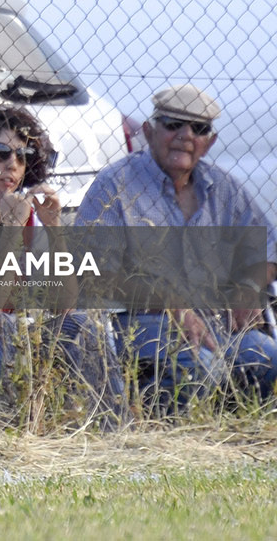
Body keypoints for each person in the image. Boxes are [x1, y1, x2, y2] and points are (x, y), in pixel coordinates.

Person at [76, 84, 277, 408]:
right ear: (148, 130)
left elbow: (267, 248)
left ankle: (237, 440)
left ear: (208, 143)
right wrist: (172, 306)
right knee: (198, 368)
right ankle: (165, 437)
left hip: (218, 323)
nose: (186, 135)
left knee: (269, 361)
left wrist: (249, 285)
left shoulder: (224, 188)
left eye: (198, 129)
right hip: (140, 323)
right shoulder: (114, 185)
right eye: (174, 124)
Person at [0, 105, 127, 425]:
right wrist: (11, 233)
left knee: (79, 324)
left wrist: (53, 228)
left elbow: (65, 303)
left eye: (22, 157)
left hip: (14, 335)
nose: (12, 164)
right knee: (0, 327)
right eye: (0, 153)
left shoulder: (25, 216)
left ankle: (112, 431)